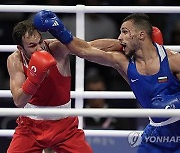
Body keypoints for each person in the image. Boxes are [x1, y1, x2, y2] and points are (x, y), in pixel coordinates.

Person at [33, 10, 180, 152]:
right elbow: (84, 50)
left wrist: (174, 103)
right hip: (156, 137)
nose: (120, 37)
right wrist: (59, 30)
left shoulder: (173, 61)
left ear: (141, 35)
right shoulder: (122, 62)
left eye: (125, 31)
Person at [7, 19, 93, 153]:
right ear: (20, 48)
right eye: (32, 45)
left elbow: (88, 47)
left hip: (65, 125)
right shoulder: (15, 60)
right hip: (30, 126)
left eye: (40, 41)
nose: (39, 48)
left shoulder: (56, 47)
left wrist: (119, 45)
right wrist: (34, 79)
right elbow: (18, 101)